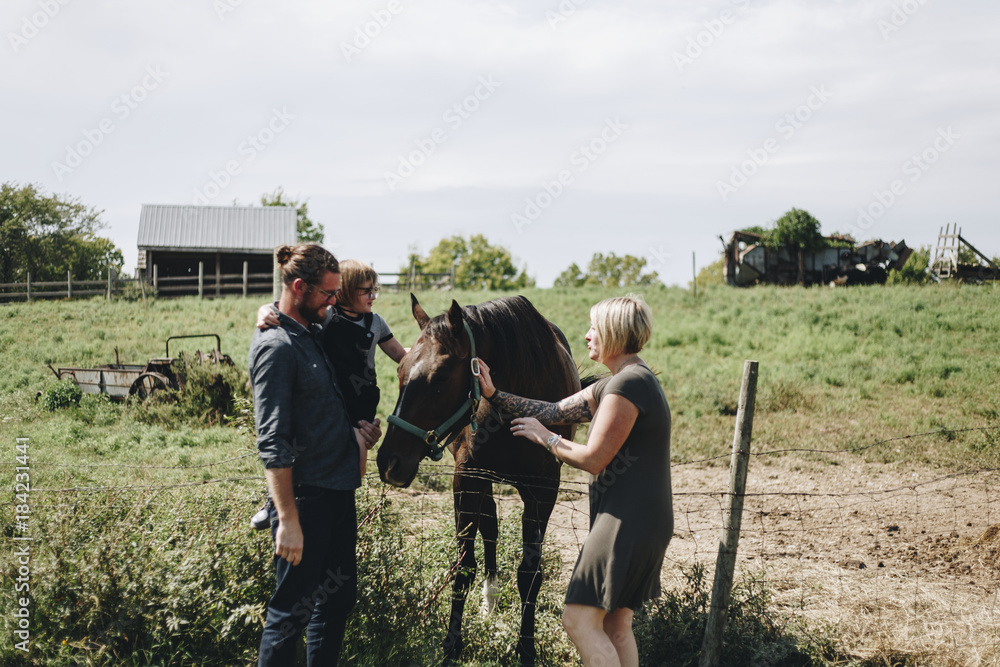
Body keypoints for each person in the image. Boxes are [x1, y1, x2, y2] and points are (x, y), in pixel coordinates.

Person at [475, 294, 672, 667]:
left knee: (577, 619)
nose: (586, 335)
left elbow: (594, 459)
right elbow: (551, 409)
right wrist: (494, 394)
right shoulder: (621, 382)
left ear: (613, 333)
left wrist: (545, 437)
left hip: (624, 522)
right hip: (642, 519)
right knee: (615, 625)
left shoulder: (626, 387)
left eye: (594, 328)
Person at [249, 243, 381, 666]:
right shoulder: (276, 348)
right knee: (290, 613)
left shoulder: (315, 332)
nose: (333, 302)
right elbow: (273, 440)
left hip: (338, 490)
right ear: (300, 287)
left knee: (338, 601)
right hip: (304, 500)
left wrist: (359, 432)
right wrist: (286, 520)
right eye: (327, 294)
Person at [250, 259, 406, 529]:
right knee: (301, 452)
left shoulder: (376, 323)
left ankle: (336, 517)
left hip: (362, 403)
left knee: (354, 470)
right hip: (330, 399)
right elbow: (288, 315)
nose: (372, 296)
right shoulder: (327, 317)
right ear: (345, 291)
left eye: (375, 290)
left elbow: (402, 356)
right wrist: (265, 309)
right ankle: (274, 502)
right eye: (366, 290)